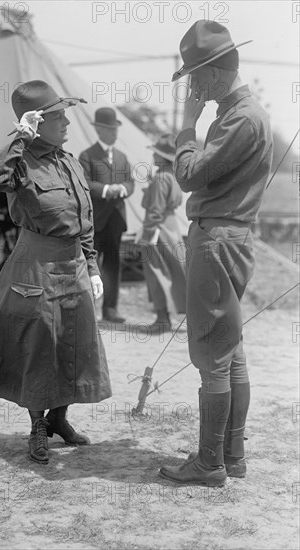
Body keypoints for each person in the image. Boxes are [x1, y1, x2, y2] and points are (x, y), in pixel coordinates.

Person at [0, 80, 112, 465]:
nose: (66, 122)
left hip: (73, 265)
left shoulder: (70, 161)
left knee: (74, 344)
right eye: (58, 116)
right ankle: (37, 428)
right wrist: (19, 136)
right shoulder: (19, 162)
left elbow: (85, 219)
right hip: (36, 266)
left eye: (65, 115)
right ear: (37, 122)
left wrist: (92, 266)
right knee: (38, 346)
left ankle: (59, 419)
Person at [158, 21, 273, 486]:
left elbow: (189, 174)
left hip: (217, 240)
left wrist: (186, 123)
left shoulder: (240, 117)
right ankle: (232, 455)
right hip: (231, 237)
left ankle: (209, 464)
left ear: (213, 73)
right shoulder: (241, 112)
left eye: (194, 76)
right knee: (231, 350)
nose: (191, 85)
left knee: (212, 355)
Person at [79, 108, 134, 323]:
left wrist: (121, 189)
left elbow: (130, 183)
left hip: (116, 220)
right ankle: (88, 309)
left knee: (112, 264)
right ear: (99, 130)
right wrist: (105, 190)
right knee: (90, 265)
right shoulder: (87, 155)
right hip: (95, 220)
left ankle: (110, 309)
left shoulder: (122, 157)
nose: (114, 133)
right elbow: (85, 184)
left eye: (115, 129)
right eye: (110, 129)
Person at [135, 133, 186, 333]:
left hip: (158, 229)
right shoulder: (172, 177)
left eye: (156, 153)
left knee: (156, 272)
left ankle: (162, 318)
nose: (153, 156)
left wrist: (147, 235)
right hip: (171, 227)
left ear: (163, 157)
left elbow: (155, 210)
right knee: (176, 271)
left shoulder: (160, 179)